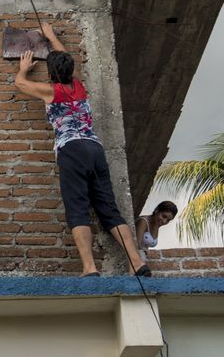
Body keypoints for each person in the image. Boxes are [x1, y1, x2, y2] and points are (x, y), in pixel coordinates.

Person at [14, 22, 151, 277]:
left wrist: (23, 69)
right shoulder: (78, 86)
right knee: (108, 209)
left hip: (71, 150)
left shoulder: (50, 91)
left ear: (52, 74)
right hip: (94, 148)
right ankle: (137, 262)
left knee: (77, 208)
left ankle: (89, 268)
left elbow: (20, 83)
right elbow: (66, 58)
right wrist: (52, 36)